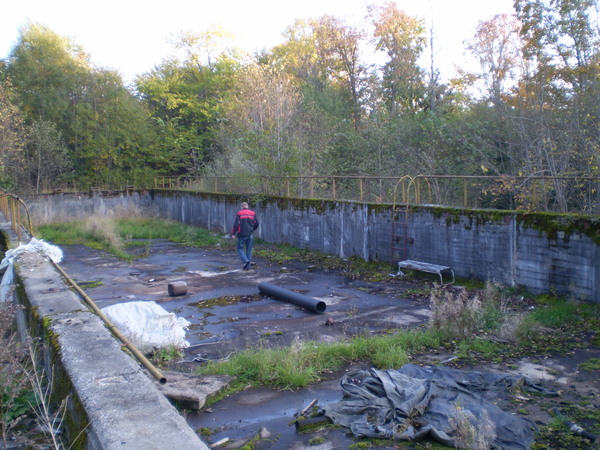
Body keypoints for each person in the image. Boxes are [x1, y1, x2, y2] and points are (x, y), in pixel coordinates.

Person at [231, 202, 259, 270]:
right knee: (248, 250)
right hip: (250, 234)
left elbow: (236, 224)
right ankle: (248, 267)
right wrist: (252, 230)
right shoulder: (253, 213)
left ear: (241, 207)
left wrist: (233, 233)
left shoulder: (239, 213)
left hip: (242, 234)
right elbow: (257, 223)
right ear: (247, 206)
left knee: (240, 248)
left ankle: (245, 261)